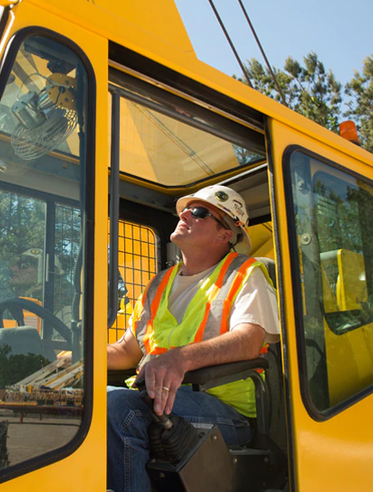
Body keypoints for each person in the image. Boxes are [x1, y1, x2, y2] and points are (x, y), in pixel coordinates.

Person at [106, 185, 279, 492]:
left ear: (224, 235)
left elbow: (250, 339)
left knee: (122, 410)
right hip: (162, 398)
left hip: (227, 410)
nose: (185, 213)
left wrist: (180, 358)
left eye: (199, 212)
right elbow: (127, 350)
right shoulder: (159, 284)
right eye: (186, 209)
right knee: (87, 400)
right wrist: (80, 354)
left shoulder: (245, 274)